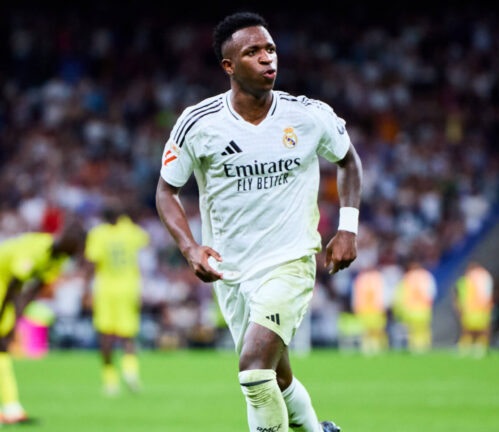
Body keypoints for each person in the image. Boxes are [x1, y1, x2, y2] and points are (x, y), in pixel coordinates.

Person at [155, 12, 362, 432]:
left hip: (290, 259)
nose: (268, 59)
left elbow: (348, 161)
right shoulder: (199, 124)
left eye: (270, 49)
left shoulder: (307, 115)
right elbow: (166, 192)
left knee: (252, 368)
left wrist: (348, 227)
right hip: (231, 270)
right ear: (228, 66)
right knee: (277, 378)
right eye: (253, 52)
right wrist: (191, 247)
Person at [0, 224, 83, 427]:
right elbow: (15, 285)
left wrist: (15, 320)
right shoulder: (35, 249)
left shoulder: (58, 260)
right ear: (64, 241)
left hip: (2, 286)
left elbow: (33, 290)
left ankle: (11, 408)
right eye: (76, 248)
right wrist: (3, 320)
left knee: (1, 345)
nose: (77, 253)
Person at [85, 209, 150, 395]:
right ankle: (131, 372)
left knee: (105, 335)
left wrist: (85, 290)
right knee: (127, 334)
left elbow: (92, 262)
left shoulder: (97, 234)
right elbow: (145, 240)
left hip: (105, 289)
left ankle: (110, 380)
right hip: (128, 287)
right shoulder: (129, 230)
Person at [393, 260, 436, 353]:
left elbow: (400, 296)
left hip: (410, 310)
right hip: (424, 309)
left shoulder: (407, 278)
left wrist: (399, 311)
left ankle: (414, 349)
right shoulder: (426, 276)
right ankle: (424, 349)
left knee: (412, 333)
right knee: (423, 332)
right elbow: (432, 293)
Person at [455, 262, 493, 357]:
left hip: (470, 308)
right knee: (482, 329)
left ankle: (465, 348)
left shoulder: (467, 278)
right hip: (482, 307)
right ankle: (480, 347)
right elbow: (488, 293)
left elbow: (460, 294)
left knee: (467, 330)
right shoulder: (485, 276)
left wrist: (459, 306)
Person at [351, 267, 387, 355]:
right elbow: (384, 294)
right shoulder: (379, 278)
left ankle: (367, 350)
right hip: (377, 310)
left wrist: (355, 308)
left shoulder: (360, 279)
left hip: (364, 310)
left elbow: (355, 296)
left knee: (366, 333)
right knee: (377, 332)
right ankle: (377, 350)